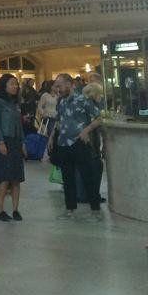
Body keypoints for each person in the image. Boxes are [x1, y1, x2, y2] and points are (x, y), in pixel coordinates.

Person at [48, 73, 104, 220]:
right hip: (63, 144)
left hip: (79, 143)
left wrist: (86, 130)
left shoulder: (83, 100)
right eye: (56, 86)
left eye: (60, 86)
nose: (58, 89)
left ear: (69, 84)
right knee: (68, 178)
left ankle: (95, 210)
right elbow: (59, 120)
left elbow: (99, 118)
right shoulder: (61, 102)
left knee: (87, 177)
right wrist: (52, 137)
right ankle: (70, 209)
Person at [0, 74, 26, 222]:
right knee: (4, 178)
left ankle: (16, 209)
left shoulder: (15, 103)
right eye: (12, 84)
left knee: (16, 178)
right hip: (4, 142)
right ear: (4, 86)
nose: (15, 87)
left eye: (16, 84)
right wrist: (1, 142)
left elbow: (20, 124)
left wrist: (23, 142)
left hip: (16, 142)